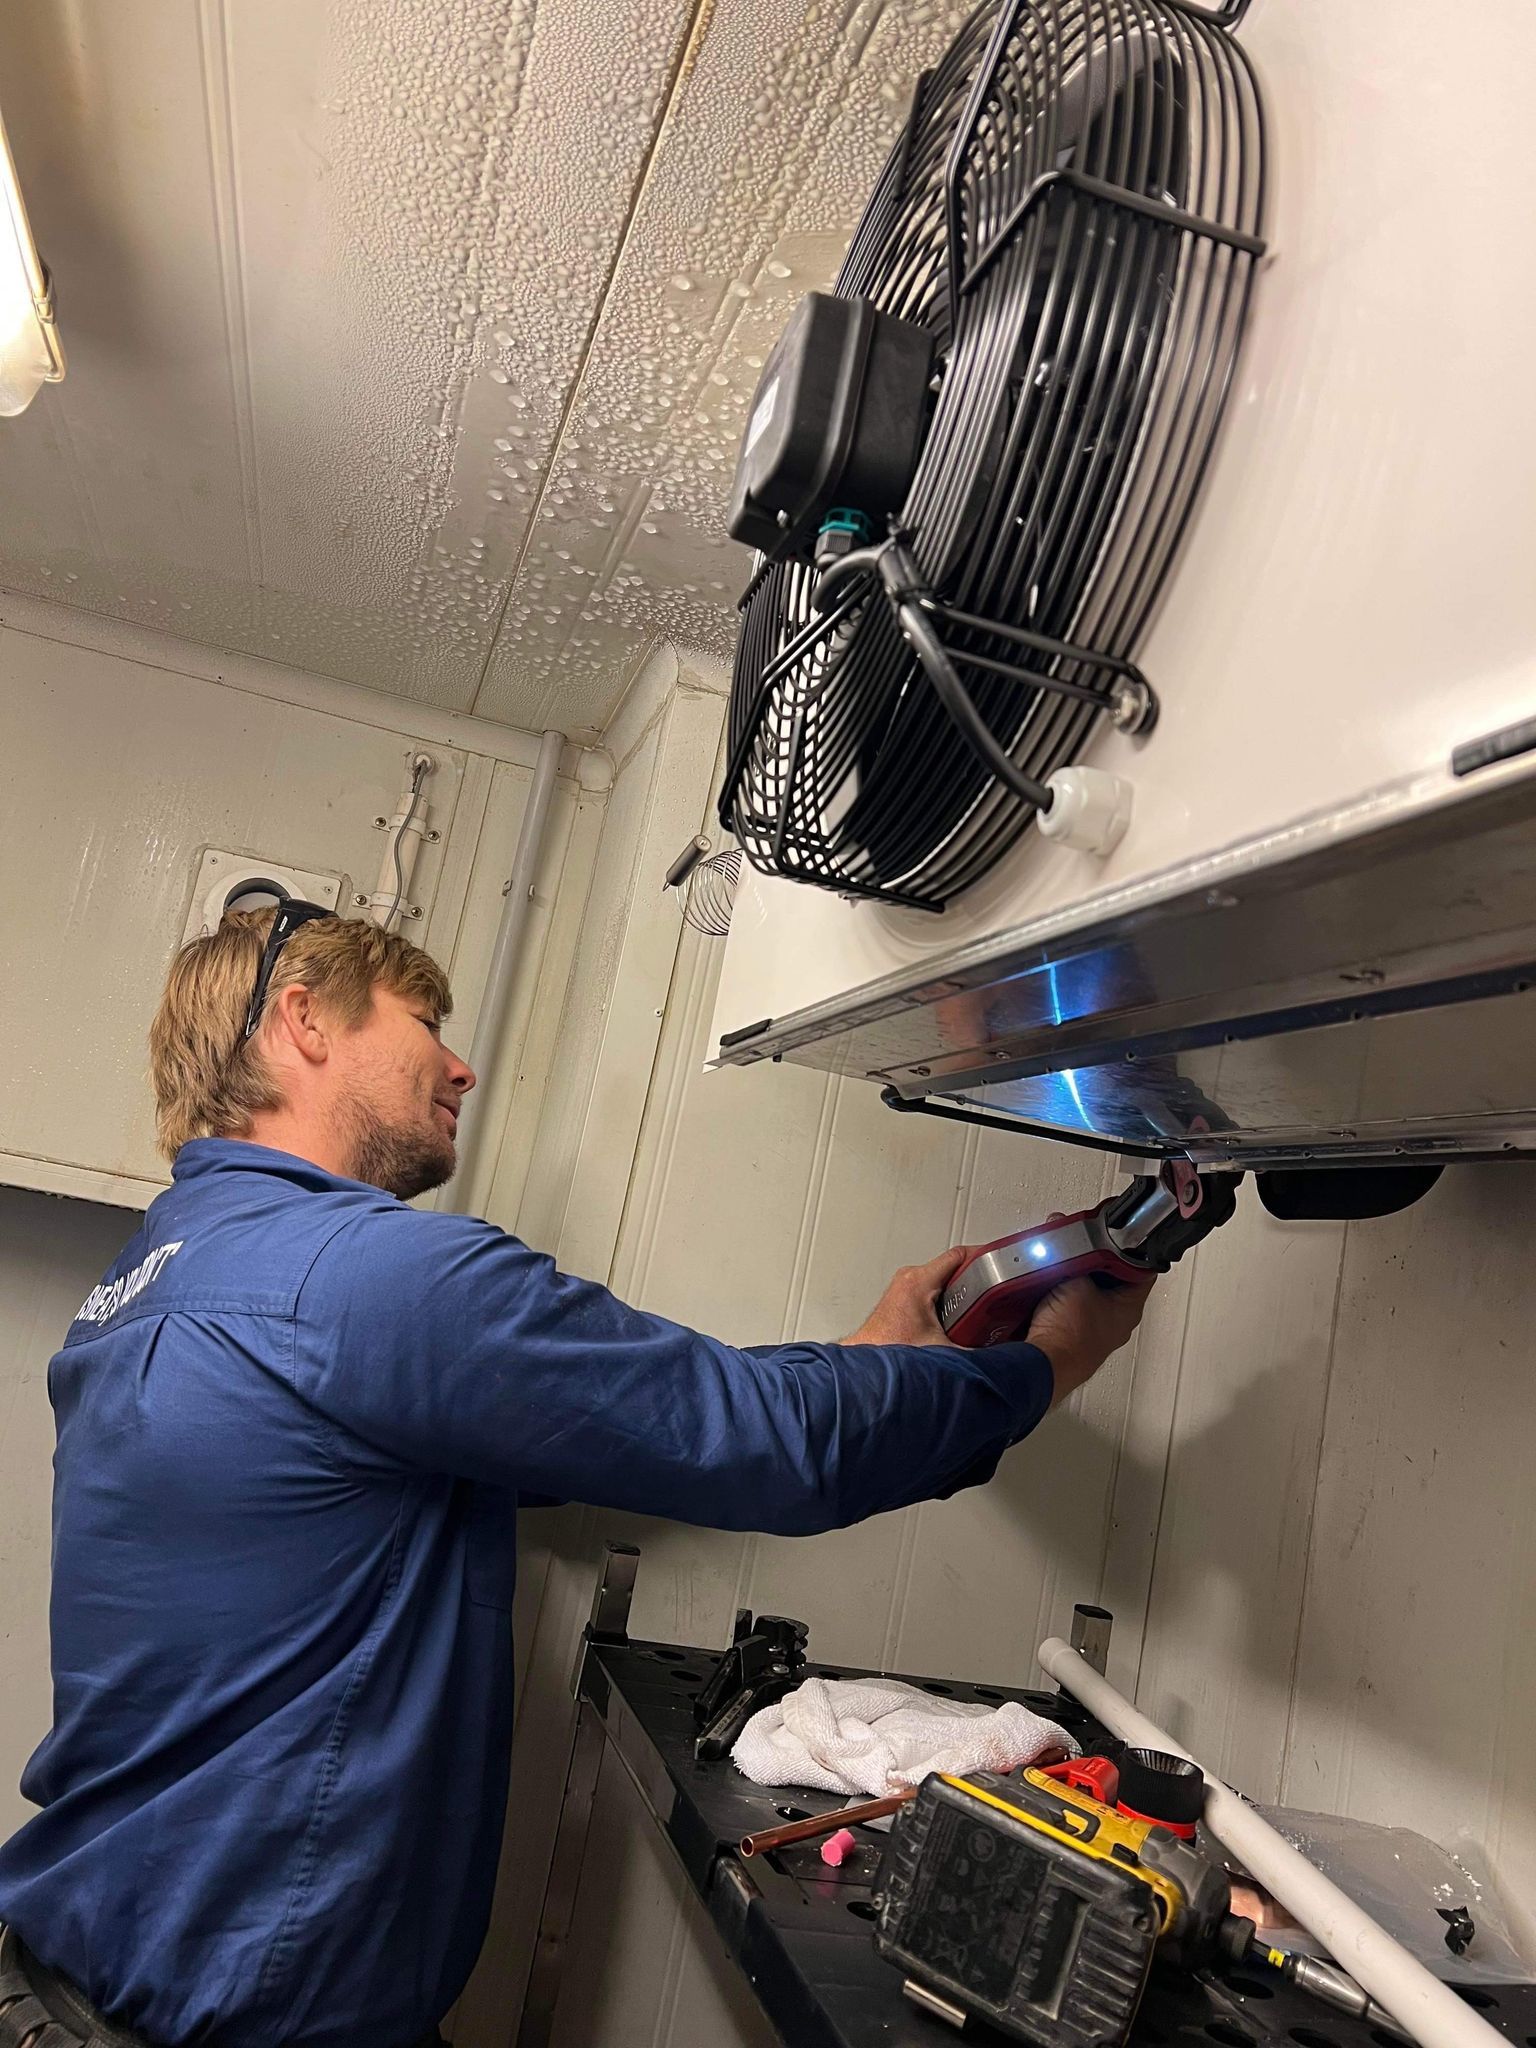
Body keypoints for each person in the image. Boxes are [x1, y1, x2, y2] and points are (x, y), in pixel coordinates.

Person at [0, 905, 1153, 2048]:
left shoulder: (157, 1283)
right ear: (300, 1019)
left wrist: (859, 1357)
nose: (460, 1064)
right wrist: (1044, 1365)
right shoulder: (359, 1275)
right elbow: (768, 1444)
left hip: (79, 1979)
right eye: (423, 1020)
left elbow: (614, 1412)